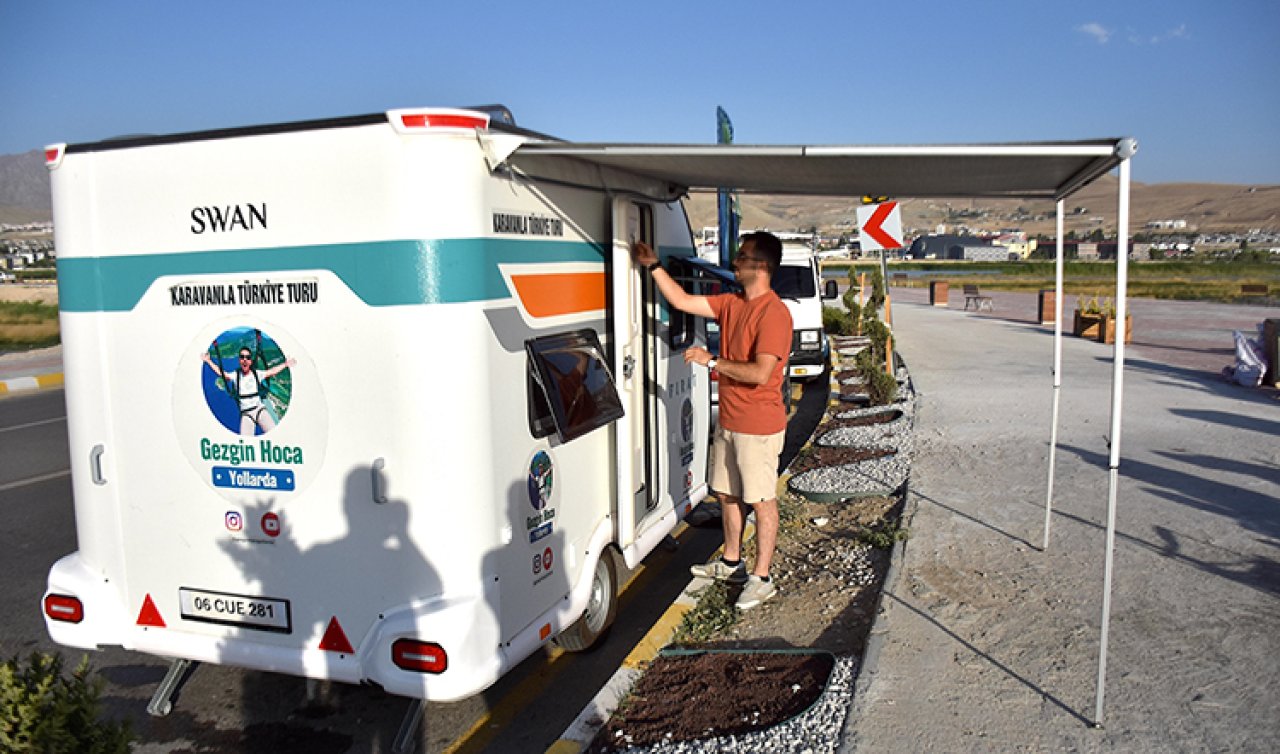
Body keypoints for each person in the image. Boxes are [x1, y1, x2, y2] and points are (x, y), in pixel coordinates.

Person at [631, 231, 792, 609]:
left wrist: (713, 361)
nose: (735, 262)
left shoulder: (775, 314)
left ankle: (762, 577)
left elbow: (761, 374)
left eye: (743, 257)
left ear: (762, 266)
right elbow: (682, 300)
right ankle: (732, 563)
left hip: (759, 426)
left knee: (762, 500)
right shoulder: (731, 303)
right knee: (727, 495)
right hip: (731, 422)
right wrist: (652, 264)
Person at [203, 348, 296, 436]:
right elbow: (222, 373)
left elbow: (272, 372)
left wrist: (285, 364)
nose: (245, 360)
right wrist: (208, 361)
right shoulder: (236, 376)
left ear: (250, 362)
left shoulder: (257, 374)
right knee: (245, 441)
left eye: (247, 357)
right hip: (246, 414)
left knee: (274, 433)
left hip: (260, 410)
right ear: (239, 360)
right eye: (242, 357)